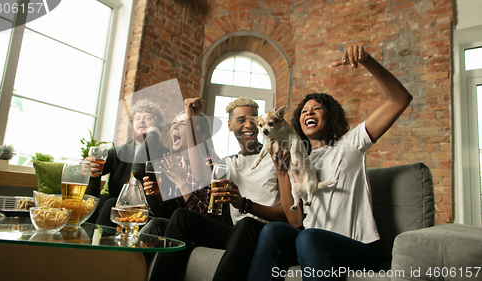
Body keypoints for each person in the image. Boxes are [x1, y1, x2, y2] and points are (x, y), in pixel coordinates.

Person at [247, 45, 413, 281]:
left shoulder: (350, 144)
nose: (308, 113)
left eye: (317, 109)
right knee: (274, 229)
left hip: (356, 247)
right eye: (303, 111)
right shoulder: (301, 159)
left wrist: (367, 61)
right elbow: (294, 221)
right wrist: (281, 171)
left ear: (331, 115)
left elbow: (400, 99)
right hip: (311, 243)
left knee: (310, 236)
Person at [148, 97, 287, 281]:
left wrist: (244, 203)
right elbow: (200, 177)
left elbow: (287, 214)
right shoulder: (229, 163)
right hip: (235, 233)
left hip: (264, 231)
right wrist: (190, 116)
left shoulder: (276, 156)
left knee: (246, 224)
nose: (249, 124)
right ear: (229, 126)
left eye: (253, 119)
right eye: (241, 120)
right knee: (181, 217)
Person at [133, 98, 223, 236]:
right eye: (174, 124)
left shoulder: (211, 162)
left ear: (195, 131)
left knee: (156, 225)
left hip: (205, 229)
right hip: (179, 224)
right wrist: (159, 195)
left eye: (183, 124)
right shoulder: (178, 161)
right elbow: (175, 209)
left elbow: (201, 215)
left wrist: (182, 183)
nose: (174, 127)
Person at [89, 100, 165, 225]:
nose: (141, 121)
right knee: (108, 203)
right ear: (132, 125)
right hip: (119, 205)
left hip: (148, 209)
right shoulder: (118, 152)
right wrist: (89, 168)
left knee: (110, 204)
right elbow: (96, 170)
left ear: (157, 125)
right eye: (138, 118)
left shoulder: (164, 154)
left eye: (147, 118)